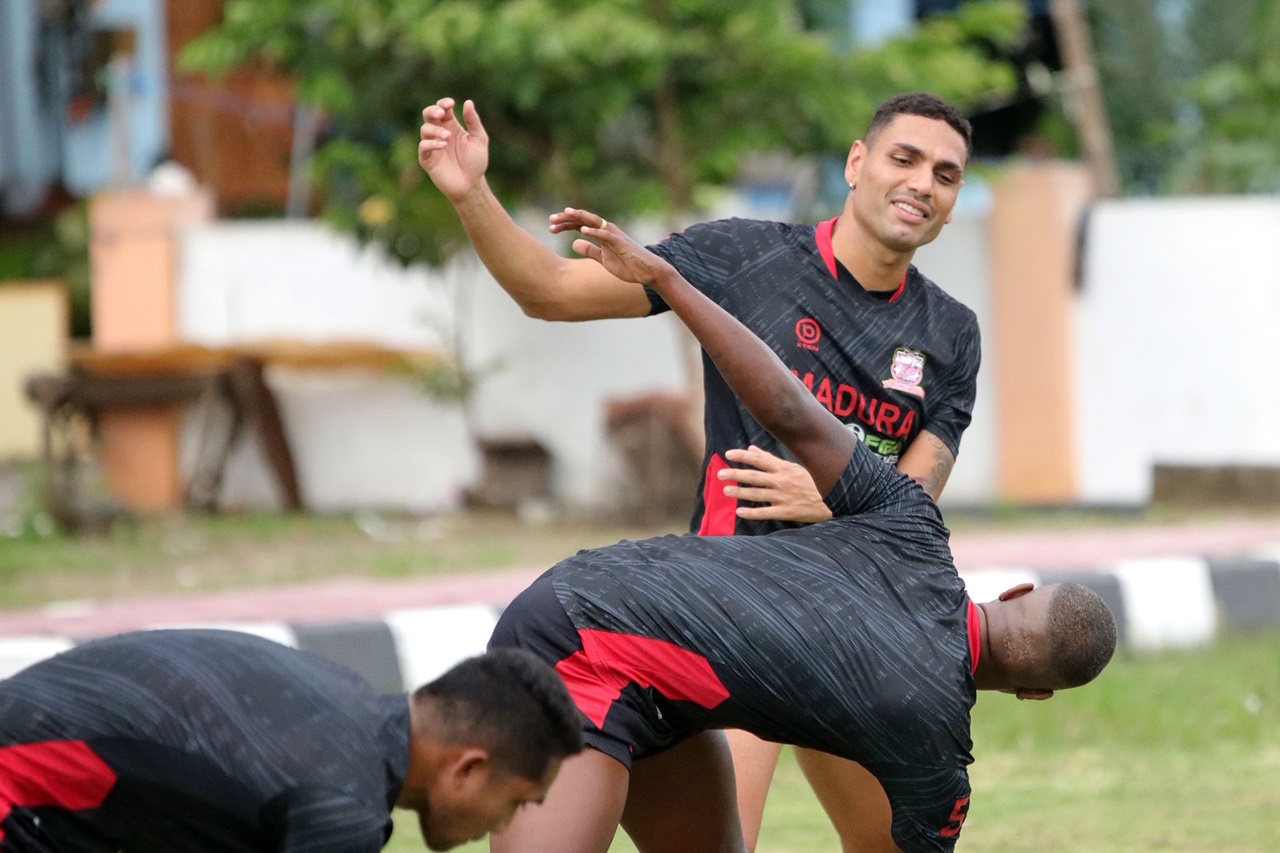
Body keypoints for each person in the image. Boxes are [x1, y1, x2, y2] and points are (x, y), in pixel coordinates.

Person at [419, 91, 981, 850]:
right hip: (732, 616)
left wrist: (829, 502)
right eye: (904, 158)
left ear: (952, 202)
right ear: (857, 163)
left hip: (853, 632)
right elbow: (549, 291)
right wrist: (472, 192)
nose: (922, 183)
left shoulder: (951, 333)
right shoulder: (744, 257)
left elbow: (916, 501)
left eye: (945, 175)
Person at [484, 213, 1118, 853]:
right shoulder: (936, 754)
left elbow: (787, 407)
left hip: (638, 655)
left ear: (1013, 594)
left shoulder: (911, 522)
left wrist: (671, 284)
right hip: (581, 643)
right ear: (1035, 694)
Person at [0, 629, 583, 852]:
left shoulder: (344, 699)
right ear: (468, 769)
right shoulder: (342, 805)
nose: (504, 827)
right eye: (516, 801)